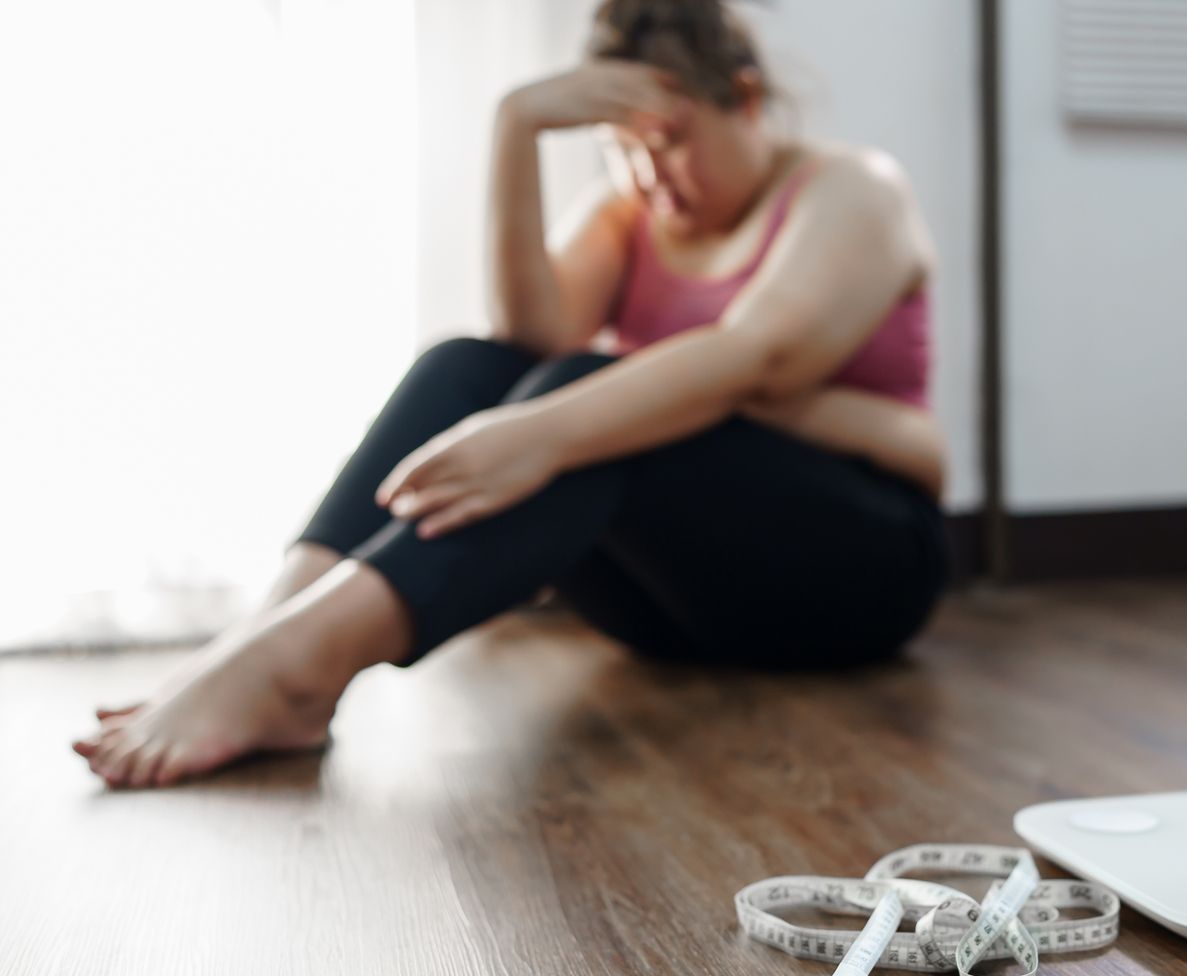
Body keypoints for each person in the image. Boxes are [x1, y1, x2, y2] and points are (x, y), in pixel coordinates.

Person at [73, 0, 949, 789]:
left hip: (854, 582)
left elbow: (754, 357)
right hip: (672, 606)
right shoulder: (630, 216)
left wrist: (552, 429)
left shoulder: (850, 189)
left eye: (671, 139)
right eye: (626, 148)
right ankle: (263, 640)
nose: (651, 175)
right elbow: (527, 341)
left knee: (580, 398)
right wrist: (517, 125)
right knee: (467, 366)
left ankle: (296, 672)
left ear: (746, 101)